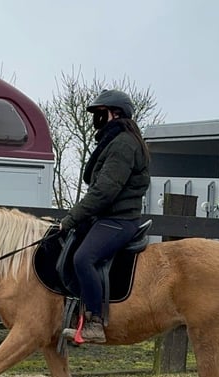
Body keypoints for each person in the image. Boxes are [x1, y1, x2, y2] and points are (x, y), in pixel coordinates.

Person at [59, 89, 150, 343]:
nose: (96, 119)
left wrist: (71, 218)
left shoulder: (123, 144)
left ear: (115, 114)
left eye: (100, 113)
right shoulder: (114, 141)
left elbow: (104, 191)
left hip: (118, 220)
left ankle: (94, 323)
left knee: (83, 258)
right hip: (107, 217)